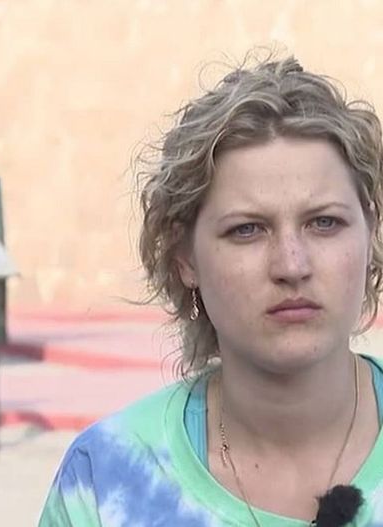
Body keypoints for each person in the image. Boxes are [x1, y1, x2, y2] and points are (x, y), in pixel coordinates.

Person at [39, 55, 383, 526]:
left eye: (324, 223)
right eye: (247, 230)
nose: (291, 265)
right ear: (185, 257)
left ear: (370, 230)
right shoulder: (103, 482)